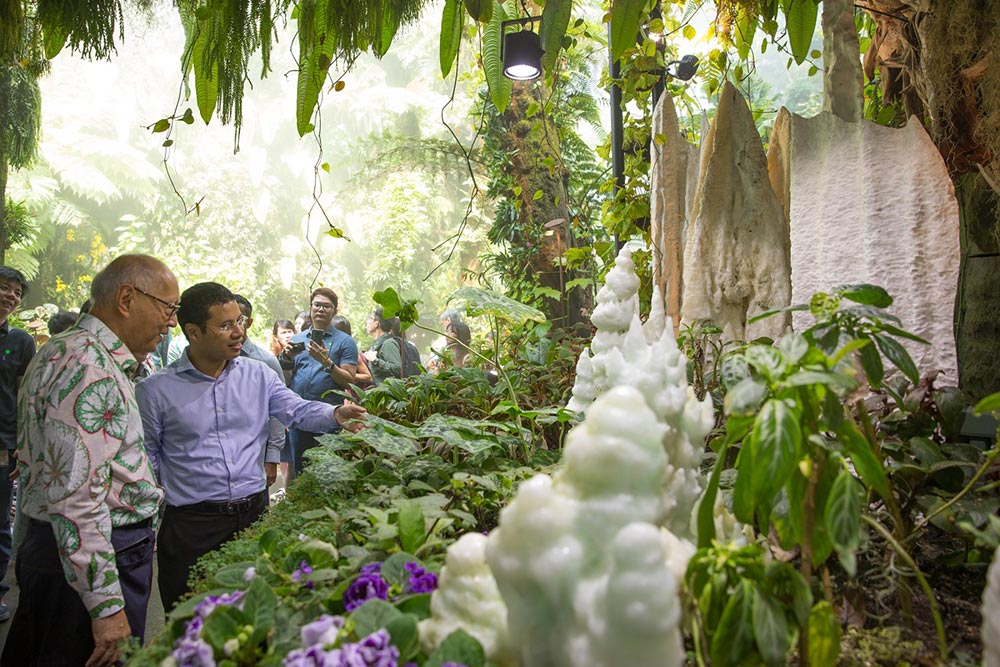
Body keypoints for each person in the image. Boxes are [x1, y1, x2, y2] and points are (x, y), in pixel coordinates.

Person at [136, 282, 366, 612]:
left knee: (252, 616)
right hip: (191, 527)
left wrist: (335, 413)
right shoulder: (155, 391)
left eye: (240, 322)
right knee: (189, 621)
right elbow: (147, 460)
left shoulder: (259, 375)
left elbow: (297, 410)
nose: (238, 332)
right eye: (226, 325)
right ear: (194, 332)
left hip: (252, 519)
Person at [4, 254, 178, 667]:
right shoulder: (89, 365)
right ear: (125, 298)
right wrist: (105, 607)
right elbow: (78, 499)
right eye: (168, 308)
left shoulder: (66, 349)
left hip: (63, 552)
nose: (171, 322)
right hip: (91, 559)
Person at [286, 288, 358, 479]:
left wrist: (327, 362)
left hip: (329, 416)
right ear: (310, 308)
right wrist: (284, 359)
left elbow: (349, 379)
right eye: (317, 305)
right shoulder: (297, 340)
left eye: (327, 306)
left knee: (326, 471)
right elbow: (288, 377)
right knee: (299, 470)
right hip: (299, 414)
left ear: (334, 311)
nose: (320, 309)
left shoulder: (345, 342)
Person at [0, 267, 35, 624]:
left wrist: (21, 446)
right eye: (4, 288)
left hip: (3, 448)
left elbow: (25, 398)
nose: (11, 296)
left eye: (15, 292)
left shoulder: (21, 342)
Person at [234, 294, 286, 489]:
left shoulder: (265, 362)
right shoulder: (209, 360)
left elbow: (278, 411)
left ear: (250, 322)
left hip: (255, 460)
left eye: (241, 319)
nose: (235, 326)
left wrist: (272, 457)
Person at [364, 307, 403, 385]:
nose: (367, 324)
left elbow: (397, 369)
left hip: (388, 393)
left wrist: (375, 361)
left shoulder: (388, 343)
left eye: (370, 320)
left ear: (376, 323)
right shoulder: (378, 343)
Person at [332, 315, 372, 388]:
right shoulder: (329, 347)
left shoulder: (351, 353)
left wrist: (349, 375)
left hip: (350, 394)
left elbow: (368, 377)